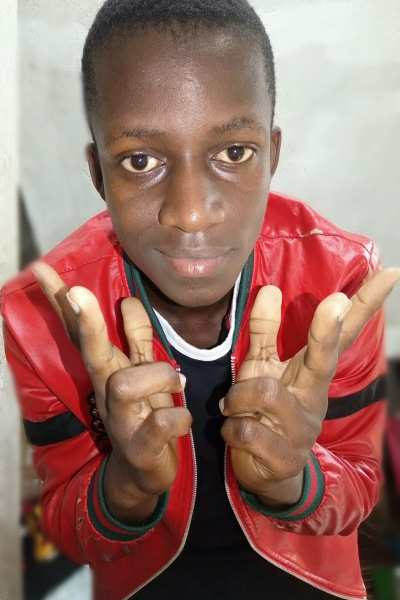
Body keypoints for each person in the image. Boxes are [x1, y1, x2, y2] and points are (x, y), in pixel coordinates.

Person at [2, 1, 399, 599]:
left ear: (272, 155)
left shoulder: (338, 283)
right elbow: (67, 529)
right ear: (99, 174)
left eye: (234, 153)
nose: (190, 213)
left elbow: (361, 489)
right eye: (140, 160)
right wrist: (126, 486)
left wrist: (293, 480)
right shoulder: (38, 317)